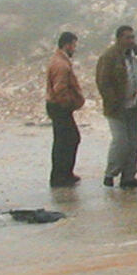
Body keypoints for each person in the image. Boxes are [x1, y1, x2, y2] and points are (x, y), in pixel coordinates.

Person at [95, 25, 137, 188]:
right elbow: (103, 82)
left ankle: (129, 176)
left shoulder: (136, 55)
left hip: (134, 106)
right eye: (127, 37)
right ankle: (110, 173)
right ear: (119, 39)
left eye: (133, 37)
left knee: (134, 143)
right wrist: (114, 101)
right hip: (116, 108)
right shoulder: (109, 57)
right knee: (121, 141)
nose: (131, 40)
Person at [46, 31, 85, 187]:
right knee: (68, 140)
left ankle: (63, 174)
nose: (74, 49)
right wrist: (69, 103)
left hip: (57, 106)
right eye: (74, 45)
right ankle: (61, 176)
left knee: (65, 140)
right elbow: (60, 89)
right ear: (67, 45)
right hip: (60, 107)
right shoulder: (61, 64)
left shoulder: (59, 60)